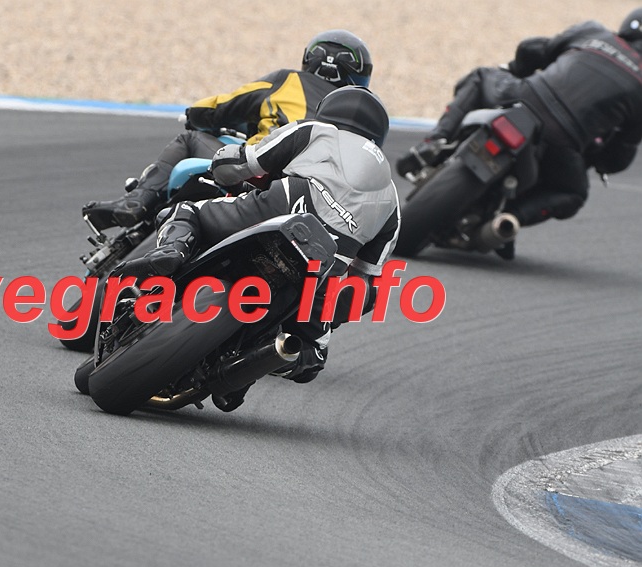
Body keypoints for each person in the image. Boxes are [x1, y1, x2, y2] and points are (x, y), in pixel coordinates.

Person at [116, 86, 400, 410]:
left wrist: (219, 168)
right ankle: (253, 361)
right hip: (325, 264)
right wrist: (330, 314)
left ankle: (173, 251)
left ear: (328, 112)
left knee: (187, 211)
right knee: (312, 356)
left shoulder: (315, 130)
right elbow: (367, 281)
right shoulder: (392, 197)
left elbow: (243, 162)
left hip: (285, 205)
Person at [398, 10, 642, 258]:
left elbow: (530, 49)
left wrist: (518, 69)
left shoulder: (593, 32)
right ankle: (510, 218)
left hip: (523, 96)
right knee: (573, 193)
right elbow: (619, 156)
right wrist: (599, 158)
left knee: (480, 77)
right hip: (563, 137)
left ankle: (434, 142)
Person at [82, 30, 374, 231]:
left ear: (311, 59)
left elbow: (225, 105)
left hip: (259, 170)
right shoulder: (361, 119)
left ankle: (137, 201)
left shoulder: (288, 81)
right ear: (359, 76)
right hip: (317, 204)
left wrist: (195, 115)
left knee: (189, 139)